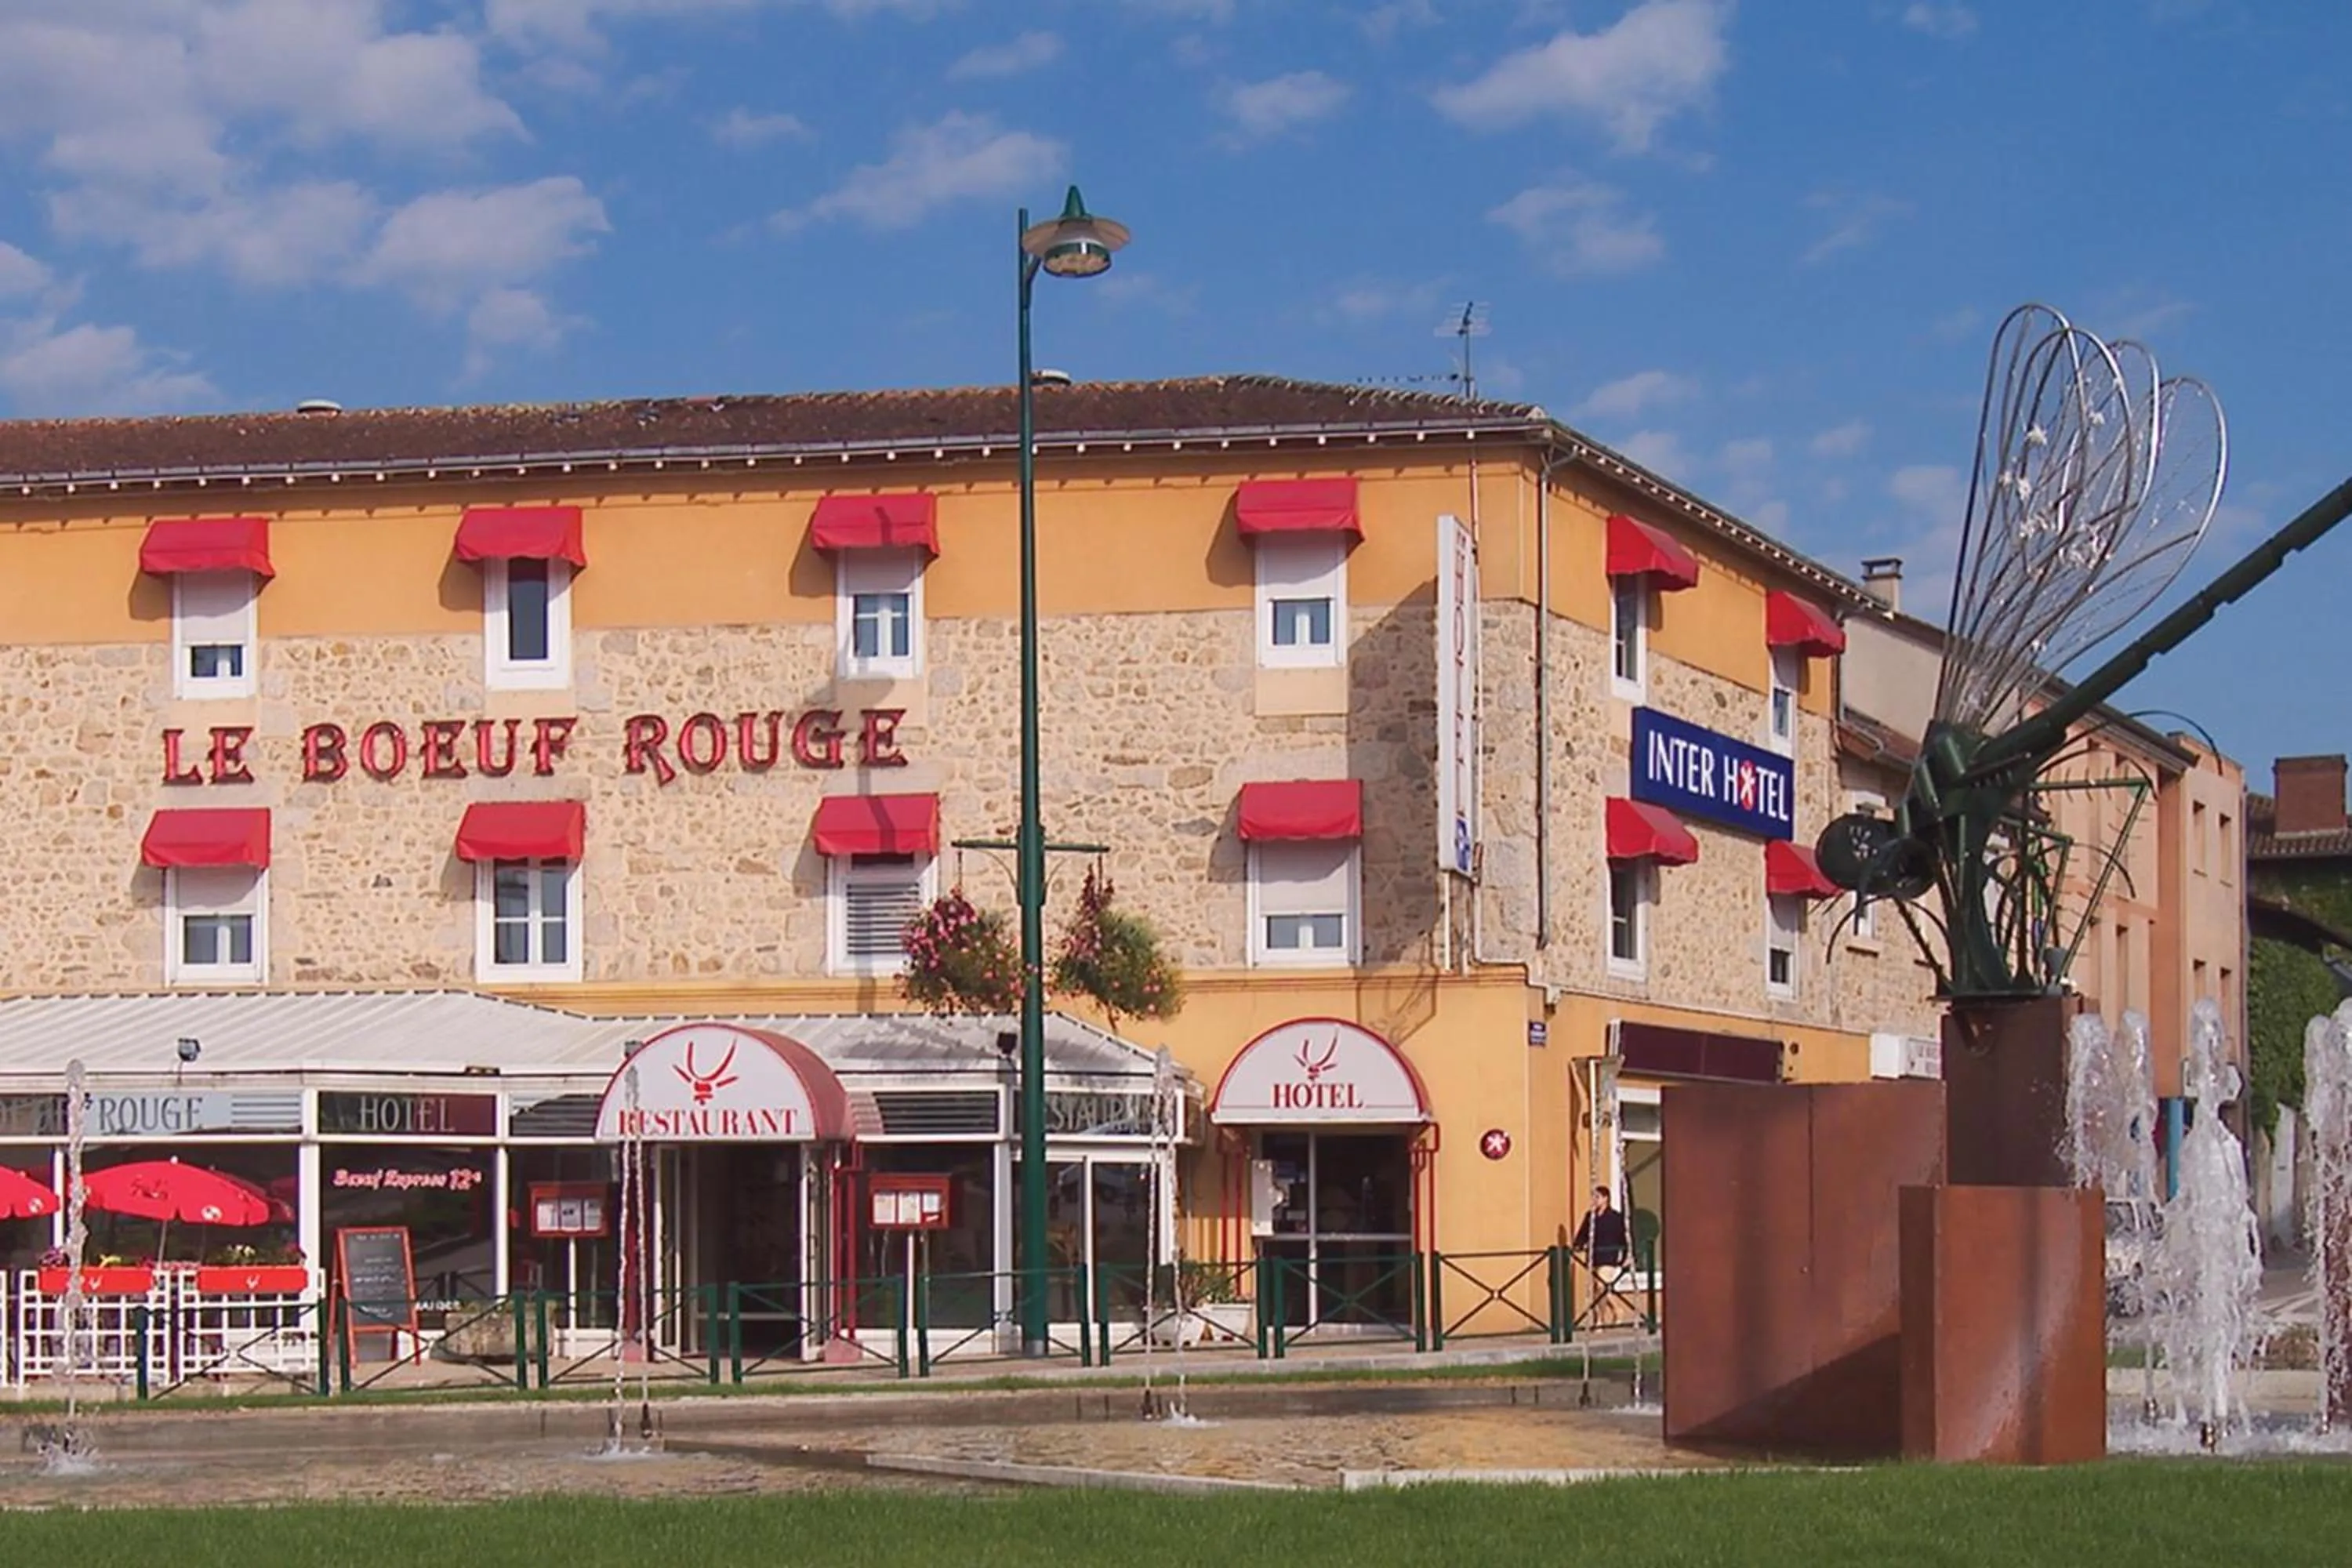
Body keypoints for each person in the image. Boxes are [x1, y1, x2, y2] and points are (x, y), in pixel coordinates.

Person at [1572, 1185, 1629, 1268]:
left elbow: (1623, 1236)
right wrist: (1578, 1245)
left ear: (1605, 1198)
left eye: (1597, 1197)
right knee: (1593, 1280)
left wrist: (1625, 1256)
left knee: (1603, 1278)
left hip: (1608, 1259)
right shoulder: (1591, 1216)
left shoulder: (1615, 1217)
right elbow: (1583, 1233)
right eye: (1593, 1197)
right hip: (1593, 1259)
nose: (1595, 1200)